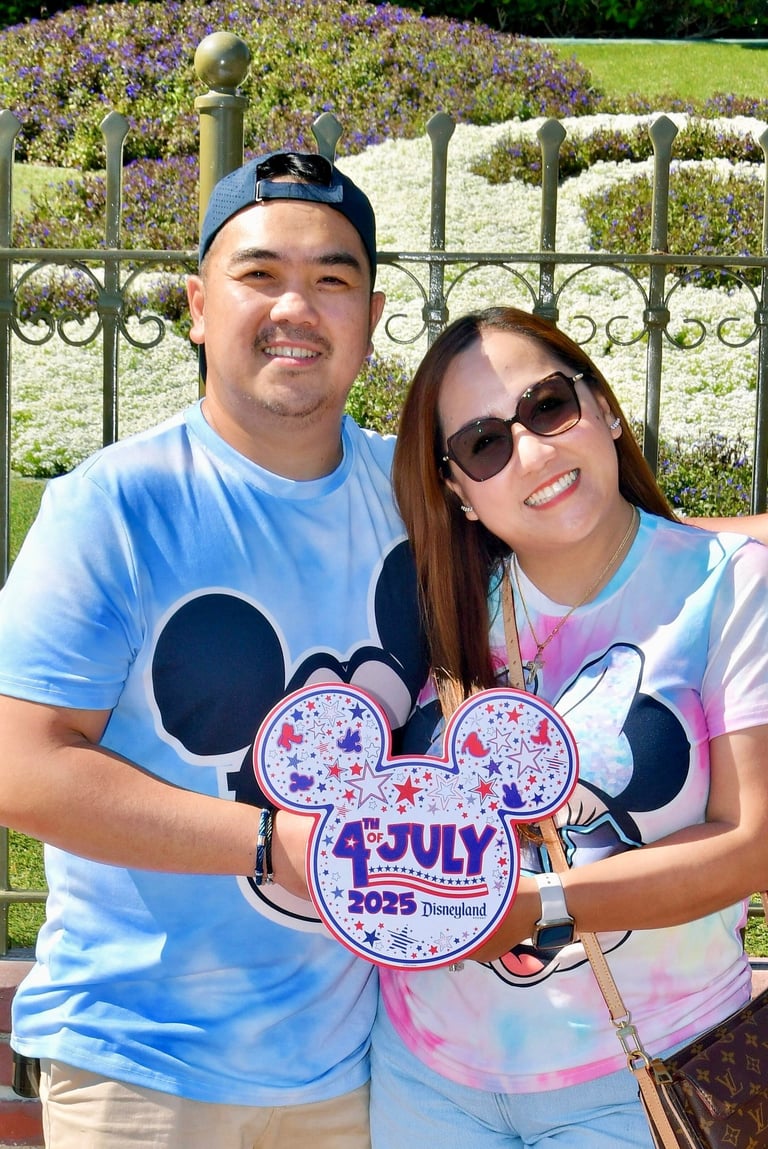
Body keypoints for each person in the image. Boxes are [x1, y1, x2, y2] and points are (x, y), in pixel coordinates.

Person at [0, 151, 431, 1148]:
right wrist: (266, 843)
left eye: (333, 279)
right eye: (260, 275)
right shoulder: (111, 509)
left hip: (361, 1063)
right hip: (143, 1068)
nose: (298, 306)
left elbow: (606, 541)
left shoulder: (421, 495)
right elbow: (19, 763)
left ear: (369, 314)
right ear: (199, 306)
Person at [371, 305, 768, 1148]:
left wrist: (538, 904)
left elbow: (751, 843)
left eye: (548, 405)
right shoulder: (440, 606)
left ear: (604, 409)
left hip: (644, 1081)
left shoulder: (730, 589)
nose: (534, 450)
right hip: (425, 1078)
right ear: (458, 491)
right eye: (485, 443)